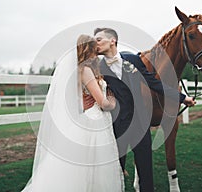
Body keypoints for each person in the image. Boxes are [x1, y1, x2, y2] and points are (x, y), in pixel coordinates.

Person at [84, 28, 196, 192]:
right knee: (116, 171)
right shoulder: (98, 68)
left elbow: (154, 83)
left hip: (141, 124)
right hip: (116, 127)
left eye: (99, 39)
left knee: (146, 172)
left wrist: (182, 97)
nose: (96, 43)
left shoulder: (132, 59)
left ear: (112, 40)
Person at [21, 34, 124, 192]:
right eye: (94, 50)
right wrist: (112, 101)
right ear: (88, 49)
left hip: (89, 115)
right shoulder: (87, 71)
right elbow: (102, 102)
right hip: (95, 118)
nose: (97, 53)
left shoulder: (80, 70)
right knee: (95, 161)